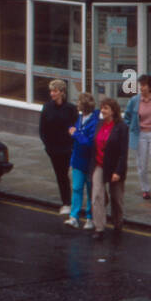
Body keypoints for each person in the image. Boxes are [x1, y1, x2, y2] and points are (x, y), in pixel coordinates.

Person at [124, 74, 151, 204]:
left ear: (150, 87)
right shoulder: (134, 100)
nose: (141, 88)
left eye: (143, 85)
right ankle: (145, 189)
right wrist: (130, 128)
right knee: (142, 165)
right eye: (140, 85)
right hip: (140, 135)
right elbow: (127, 117)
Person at [90, 95, 129, 244]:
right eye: (102, 107)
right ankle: (99, 228)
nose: (102, 110)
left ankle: (118, 224)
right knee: (97, 196)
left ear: (113, 111)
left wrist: (118, 172)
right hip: (99, 165)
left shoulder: (121, 127)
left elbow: (123, 152)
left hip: (115, 167)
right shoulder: (99, 124)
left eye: (106, 108)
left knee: (116, 199)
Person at [39, 79, 77, 215]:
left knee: (66, 175)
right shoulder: (47, 107)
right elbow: (42, 129)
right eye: (51, 91)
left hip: (67, 149)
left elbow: (75, 129)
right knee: (60, 175)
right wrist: (47, 146)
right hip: (53, 149)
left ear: (62, 92)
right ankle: (66, 203)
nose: (52, 94)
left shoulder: (71, 109)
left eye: (54, 91)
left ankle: (70, 202)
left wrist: (72, 146)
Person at [67, 92, 98, 228]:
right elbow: (74, 129)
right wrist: (72, 130)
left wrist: (76, 134)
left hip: (90, 163)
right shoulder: (80, 117)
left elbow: (90, 142)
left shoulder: (95, 121)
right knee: (77, 188)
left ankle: (90, 218)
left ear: (84, 105)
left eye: (79, 102)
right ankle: (74, 217)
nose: (77, 104)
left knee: (91, 191)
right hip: (78, 161)